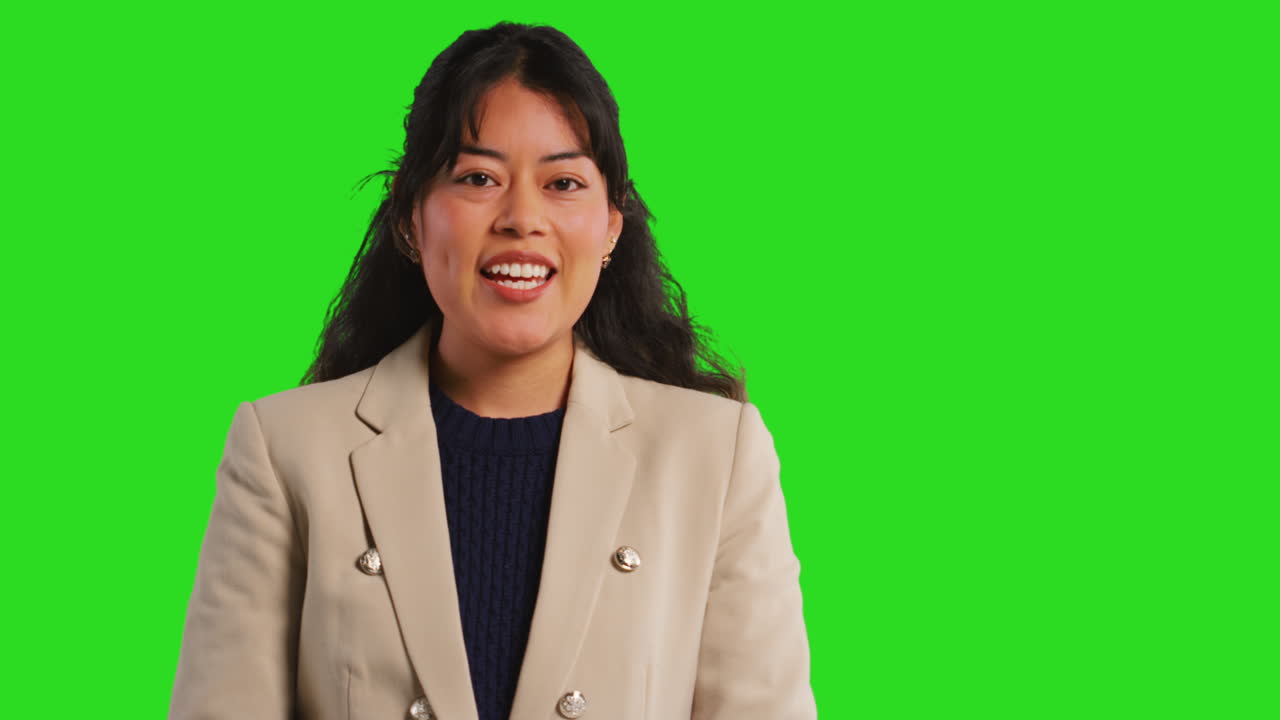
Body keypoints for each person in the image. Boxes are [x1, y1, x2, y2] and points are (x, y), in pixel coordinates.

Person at [168, 20, 815, 720]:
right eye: (478, 178)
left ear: (611, 227)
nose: (522, 218)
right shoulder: (283, 449)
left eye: (563, 182)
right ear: (411, 220)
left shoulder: (715, 457)